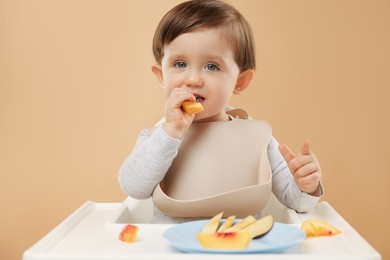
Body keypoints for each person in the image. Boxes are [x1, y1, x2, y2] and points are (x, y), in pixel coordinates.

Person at [118, 0, 323, 223]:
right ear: (161, 76)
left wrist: (306, 185)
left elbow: (296, 202)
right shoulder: (157, 137)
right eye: (179, 64)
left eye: (211, 66)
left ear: (240, 81)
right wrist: (170, 132)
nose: (193, 79)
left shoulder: (254, 137)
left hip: (241, 249)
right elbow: (133, 188)